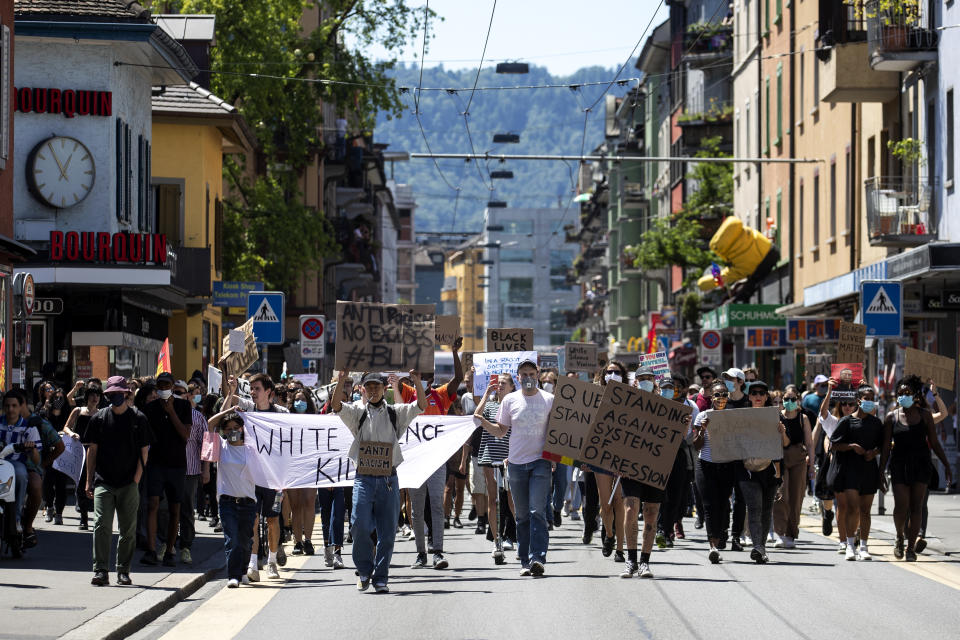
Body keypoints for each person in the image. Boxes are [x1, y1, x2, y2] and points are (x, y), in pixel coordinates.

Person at [331, 369, 427, 593]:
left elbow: (421, 405)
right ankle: (365, 570)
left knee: (387, 532)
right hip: (363, 479)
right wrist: (342, 380)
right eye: (369, 387)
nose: (373, 390)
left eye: (377, 386)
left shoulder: (396, 412)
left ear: (385, 389)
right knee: (359, 525)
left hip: (388, 480)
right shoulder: (357, 412)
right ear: (363, 389)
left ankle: (381, 577)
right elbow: (336, 406)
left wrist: (417, 382)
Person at [620, 371, 692, 579]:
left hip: (656, 467)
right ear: (636, 382)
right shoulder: (626, 403)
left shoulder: (667, 408)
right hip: (631, 466)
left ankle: (644, 561)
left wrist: (684, 425)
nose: (645, 383)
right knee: (631, 509)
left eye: (649, 380)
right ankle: (630, 560)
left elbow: (676, 438)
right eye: (642, 379)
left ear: (655, 383)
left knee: (651, 513)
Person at [489, 359, 555, 577]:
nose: (528, 377)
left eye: (531, 373)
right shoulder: (509, 400)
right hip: (516, 463)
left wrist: (555, 457)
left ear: (537, 375)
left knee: (538, 511)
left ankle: (538, 558)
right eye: (523, 374)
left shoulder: (549, 399)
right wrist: (481, 421)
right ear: (518, 378)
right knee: (523, 515)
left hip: (540, 462)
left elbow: (556, 432)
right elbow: (500, 431)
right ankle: (525, 560)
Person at [86, 377, 153, 586]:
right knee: (101, 525)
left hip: (128, 483)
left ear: (126, 393)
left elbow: (145, 450)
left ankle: (123, 570)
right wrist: (89, 481)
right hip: (104, 481)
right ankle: (100, 571)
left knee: (128, 529)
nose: (113, 397)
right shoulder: (99, 419)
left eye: (117, 393)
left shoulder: (138, 419)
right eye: (110, 394)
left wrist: (136, 478)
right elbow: (92, 451)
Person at [222, 373, 288, 581]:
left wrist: (283, 479)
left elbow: (288, 448)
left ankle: (271, 562)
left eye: (257, 388)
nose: (252, 392)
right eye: (250, 388)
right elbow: (229, 400)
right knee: (253, 519)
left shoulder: (282, 413)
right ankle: (252, 564)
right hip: (250, 476)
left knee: (273, 518)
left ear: (268, 391)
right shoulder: (247, 410)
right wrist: (230, 382)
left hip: (273, 477)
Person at [879, 376, 953, 562]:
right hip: (899, 465)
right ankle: (899, 538)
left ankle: (911, 548)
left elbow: (935, 443)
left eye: (907, 393)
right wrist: (880, 472)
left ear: (915, 395)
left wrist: (946, 465)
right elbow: (886, 447)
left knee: (917, 507)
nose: (903, 396)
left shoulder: (925, 415)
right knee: (901, 507)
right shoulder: (891, 417)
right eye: (900, 393)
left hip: (921, 464)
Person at [141, 372, 192, 568]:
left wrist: (171, 412)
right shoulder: (150, 408)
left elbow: (185, 435)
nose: (163, 389)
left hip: (177, 464)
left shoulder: (183, 406)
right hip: (156, 463)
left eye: (167, 385)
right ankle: (152, 550)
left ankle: (170, 549)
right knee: (152, 503)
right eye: (160, 385)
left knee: (175, 508)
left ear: (172, 386)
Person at [830, 384, 884, 561]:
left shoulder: (876, 423)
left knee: (865, 510)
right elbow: (834, 445)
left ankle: (864, 546)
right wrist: (851, 447)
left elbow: (883, 445)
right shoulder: (846, 421)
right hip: (850, 470)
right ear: (859, 400)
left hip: (869, 470)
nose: (869, 401)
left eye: (871, 398)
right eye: (866, 398)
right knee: (852, 508)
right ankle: (850, 545)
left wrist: (873, 452)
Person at [206, 409, 257, 588]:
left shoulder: (253, 449)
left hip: (248, 503)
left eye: (236, 427)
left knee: (245, 541)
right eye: (228, 428)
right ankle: (233, 575)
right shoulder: (220, 446)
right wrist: (230, 410)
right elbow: (210, 424)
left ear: (243, 429)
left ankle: (243, 570)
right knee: (232, 540)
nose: (232, 431)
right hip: (227, 502)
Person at [473, 373, 518, 559]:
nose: (499, 385)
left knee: (512, 500)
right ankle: (496, 540)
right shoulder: (490, 404)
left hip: (510, 456)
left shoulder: (515, 404)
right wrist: (486, 394)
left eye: (503, 383)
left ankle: (520, 539)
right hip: (490, 455)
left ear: (512, 387)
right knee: (493, 499)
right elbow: (476, 416)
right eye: (497, 383)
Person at [812, 377, 858, 554]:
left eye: (851, 403)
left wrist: (862, 387)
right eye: (844, 403)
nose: (848, 407)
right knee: (841, 505)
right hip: (836, 466)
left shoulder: (860, 420)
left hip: (856, 467)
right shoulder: (834, 422)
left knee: (856, 506)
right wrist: (830, 392)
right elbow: (823, 413)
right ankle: (843, 541)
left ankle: (854, 539)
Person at [693, 380, 737, 564]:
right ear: (711, 397)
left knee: (723, 505)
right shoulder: (702, 416)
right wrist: (702, 430)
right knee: (709, 505)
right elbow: (696, 445)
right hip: (706, 465)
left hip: (726, 465)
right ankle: (713, 546)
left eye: (724, 395)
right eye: (717, 394)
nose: (721, 398)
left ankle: (721, 535)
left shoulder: (733, 417)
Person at [592, 361, 629, 562]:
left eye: (617, 372)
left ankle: (621, 549)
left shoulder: (632, 398)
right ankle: (609, 534)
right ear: (603, 375)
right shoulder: (594, 397)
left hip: (623, 458)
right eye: (609, 371)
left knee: (619, 502)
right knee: (605, 503)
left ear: (623, 375)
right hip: (600, 456)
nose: (613, 374)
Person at [0, 390, 41, 555]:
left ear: (20, 407)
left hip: (16, 464)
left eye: (14, 406)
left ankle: (16, 519)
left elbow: (36, 460)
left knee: (22, 474)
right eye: (7, 406)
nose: (10, 409)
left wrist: (32, 449)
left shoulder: (28, 427)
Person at [773, 384, 814, 549]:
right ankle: (780, 533)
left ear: (798, 401)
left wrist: (811, 464)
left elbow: (809, 443)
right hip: (780, 457)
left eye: (793, 399)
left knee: (796, 497)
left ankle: (791, 533)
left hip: (798, 459)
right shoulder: (777, 417)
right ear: (782, 401)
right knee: (781, 496)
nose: (789, 402)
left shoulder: (802, 418)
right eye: (786, 399)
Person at [175, 379, 207, 566]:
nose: (178, 396)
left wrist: (206, 470)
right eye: (175, 392)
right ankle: (166, 544)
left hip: (190, 470)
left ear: (188, 395)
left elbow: (205, 445)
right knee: (166, 509)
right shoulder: (163, 415)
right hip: (168, 469)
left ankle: (186, 545)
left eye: (181, 392)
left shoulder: (197, 417)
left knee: (186, 508)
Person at [63, 386, 102, 530]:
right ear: (87, 397)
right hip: (80, 450)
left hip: (97, 451)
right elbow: (66, 427)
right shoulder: (78, 410)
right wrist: (72, 434)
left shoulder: (102, 413)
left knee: (96, 483)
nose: (95, 398)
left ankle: (98, 516)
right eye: (92, 395)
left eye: (97, 395)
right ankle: (83, 518)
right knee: (80, 484)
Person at [287, 389, 319, 557]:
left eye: (303, 399)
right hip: (293, 467)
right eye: (297, 400)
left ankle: (308, 540)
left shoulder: (315, 420)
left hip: (310, 466)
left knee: (308, 502)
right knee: (296, 505)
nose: (300, 402)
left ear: (308, 402)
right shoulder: (287, 419)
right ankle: (297, 541)